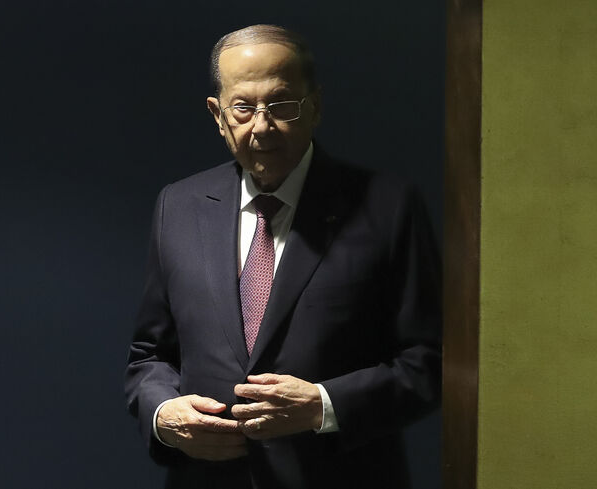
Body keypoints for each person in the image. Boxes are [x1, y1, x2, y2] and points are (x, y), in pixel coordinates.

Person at [124, 24, 441, 489]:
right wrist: (162, 414)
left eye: (282, 105)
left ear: (315, 106)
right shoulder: (178, 205)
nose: (262, 126)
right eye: (243, 108)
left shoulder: (390, 207)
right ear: (217, 114)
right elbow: (148, 356)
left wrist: (324, 405)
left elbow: (430, 361)